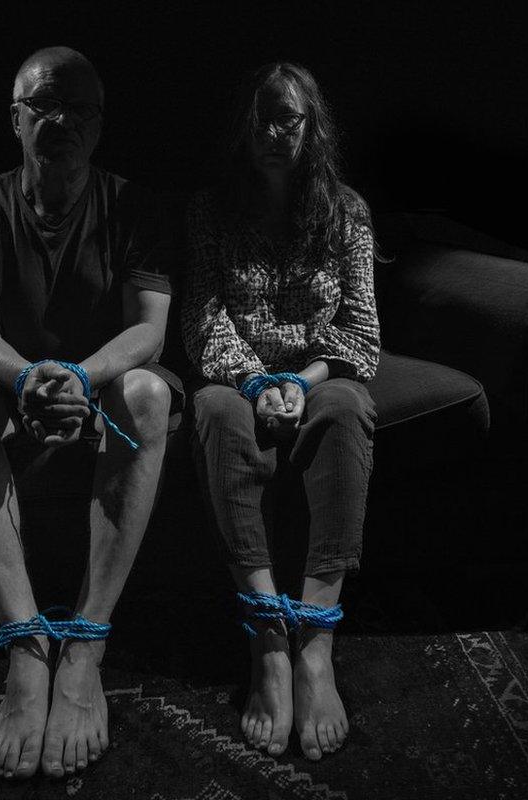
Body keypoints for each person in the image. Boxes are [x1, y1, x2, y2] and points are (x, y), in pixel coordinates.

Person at [0, 46, 182, 780]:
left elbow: (150, 330)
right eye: (44, 105)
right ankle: (26, 647)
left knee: (149, 392)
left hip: (101, 380)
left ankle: (86, 644)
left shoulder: (137, 206)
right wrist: (32, 376)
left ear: (99, 127)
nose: (61, 119)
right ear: (15, 119)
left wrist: (75, 374)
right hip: (16, 381)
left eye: (79, 108)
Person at [182, 62, 380, 762]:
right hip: (243, 378)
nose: (274, 132)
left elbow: (361, 329)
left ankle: (316, 643)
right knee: (213, 411)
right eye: (263, 117)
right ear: (245, 125)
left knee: (347, 406)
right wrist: (260, 381)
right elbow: (203, 322)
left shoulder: (347, 211)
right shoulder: (212, 210)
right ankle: (269, 638)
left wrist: (306, 378)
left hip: (319, 372)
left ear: (310, 126)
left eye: (288, 118)